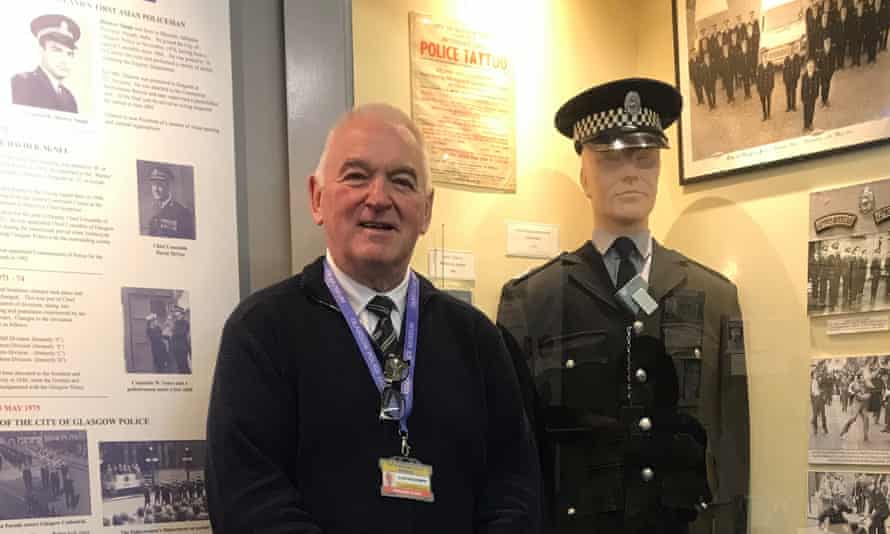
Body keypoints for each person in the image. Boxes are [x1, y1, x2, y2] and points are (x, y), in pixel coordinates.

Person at [205, 103, 539, 533]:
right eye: (356, 176)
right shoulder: (260, 334)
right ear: (317, 198)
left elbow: (516, 490)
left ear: (426, 210)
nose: (378, 198)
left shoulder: (477, 340)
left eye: (402, 181)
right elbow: (248, 502)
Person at [497, 78, 749, 534]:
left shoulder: (716, 298)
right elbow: (514, 457)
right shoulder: (531, 301)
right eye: (610, 158)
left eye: (644, 158)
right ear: (584, 175)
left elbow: (730, 451)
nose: (630, 172)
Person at [10, 14, 80, 113]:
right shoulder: (23, 83)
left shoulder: (69, 98)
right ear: (41, 51)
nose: (64, 60)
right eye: (57, 50)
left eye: (69, 54)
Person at [145, 165, 196, 240]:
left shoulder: (182, 212)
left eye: (160, 185)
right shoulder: (152, 211)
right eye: (153, 185)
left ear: (168, 186)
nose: (155, 189)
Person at [170, 306, 191, 374]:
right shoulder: (176, 323)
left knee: (184, 366)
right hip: (176, 348)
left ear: (182, 314)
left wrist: (172, 330)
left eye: (177, 313)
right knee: (179, 367)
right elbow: (173, 336)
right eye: (175, 313)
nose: (176, 315)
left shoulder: (185, 323)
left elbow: (182, 333)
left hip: (182, 348)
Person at [801, 57, 820, 132]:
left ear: (814, 67)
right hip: (805, 96)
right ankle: (805, 125)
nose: (810, 68)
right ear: (806, 67)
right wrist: (802, 97)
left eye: (812, 66)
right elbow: (802, 88)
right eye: (809, 66)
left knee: (811, 110)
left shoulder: (816, 75)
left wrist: (816, 94)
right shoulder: (804, 76)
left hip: (812, 96)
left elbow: (817, 85)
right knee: (805, 111)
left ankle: (810, 123)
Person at [755, 50, 774, 120]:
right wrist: (758, 88)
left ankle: (769, 114)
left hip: (768, 87)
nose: (765, 58)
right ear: (761, 58)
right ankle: (764, 115)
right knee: (763, 102)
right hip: (762, 88)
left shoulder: (771, 65)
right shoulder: (759, 67)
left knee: (769, 101)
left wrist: (772, 86)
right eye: (763, 57)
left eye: (766, 56)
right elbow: (757, 79)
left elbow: (772, 77)